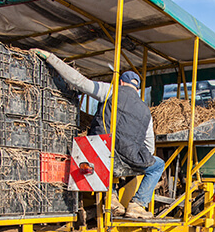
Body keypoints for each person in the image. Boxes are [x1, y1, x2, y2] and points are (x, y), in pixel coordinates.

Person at [34, 49, 163, 219]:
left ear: (121, 83)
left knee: (105, 161)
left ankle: (113, 198)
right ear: (137, 90)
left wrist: (51, 58)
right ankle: (138, 204)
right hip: (127, 161)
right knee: (157, 165)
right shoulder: (146, 111)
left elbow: (79, 81)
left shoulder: (110, 91)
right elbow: (150, 146)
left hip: (99, 156)